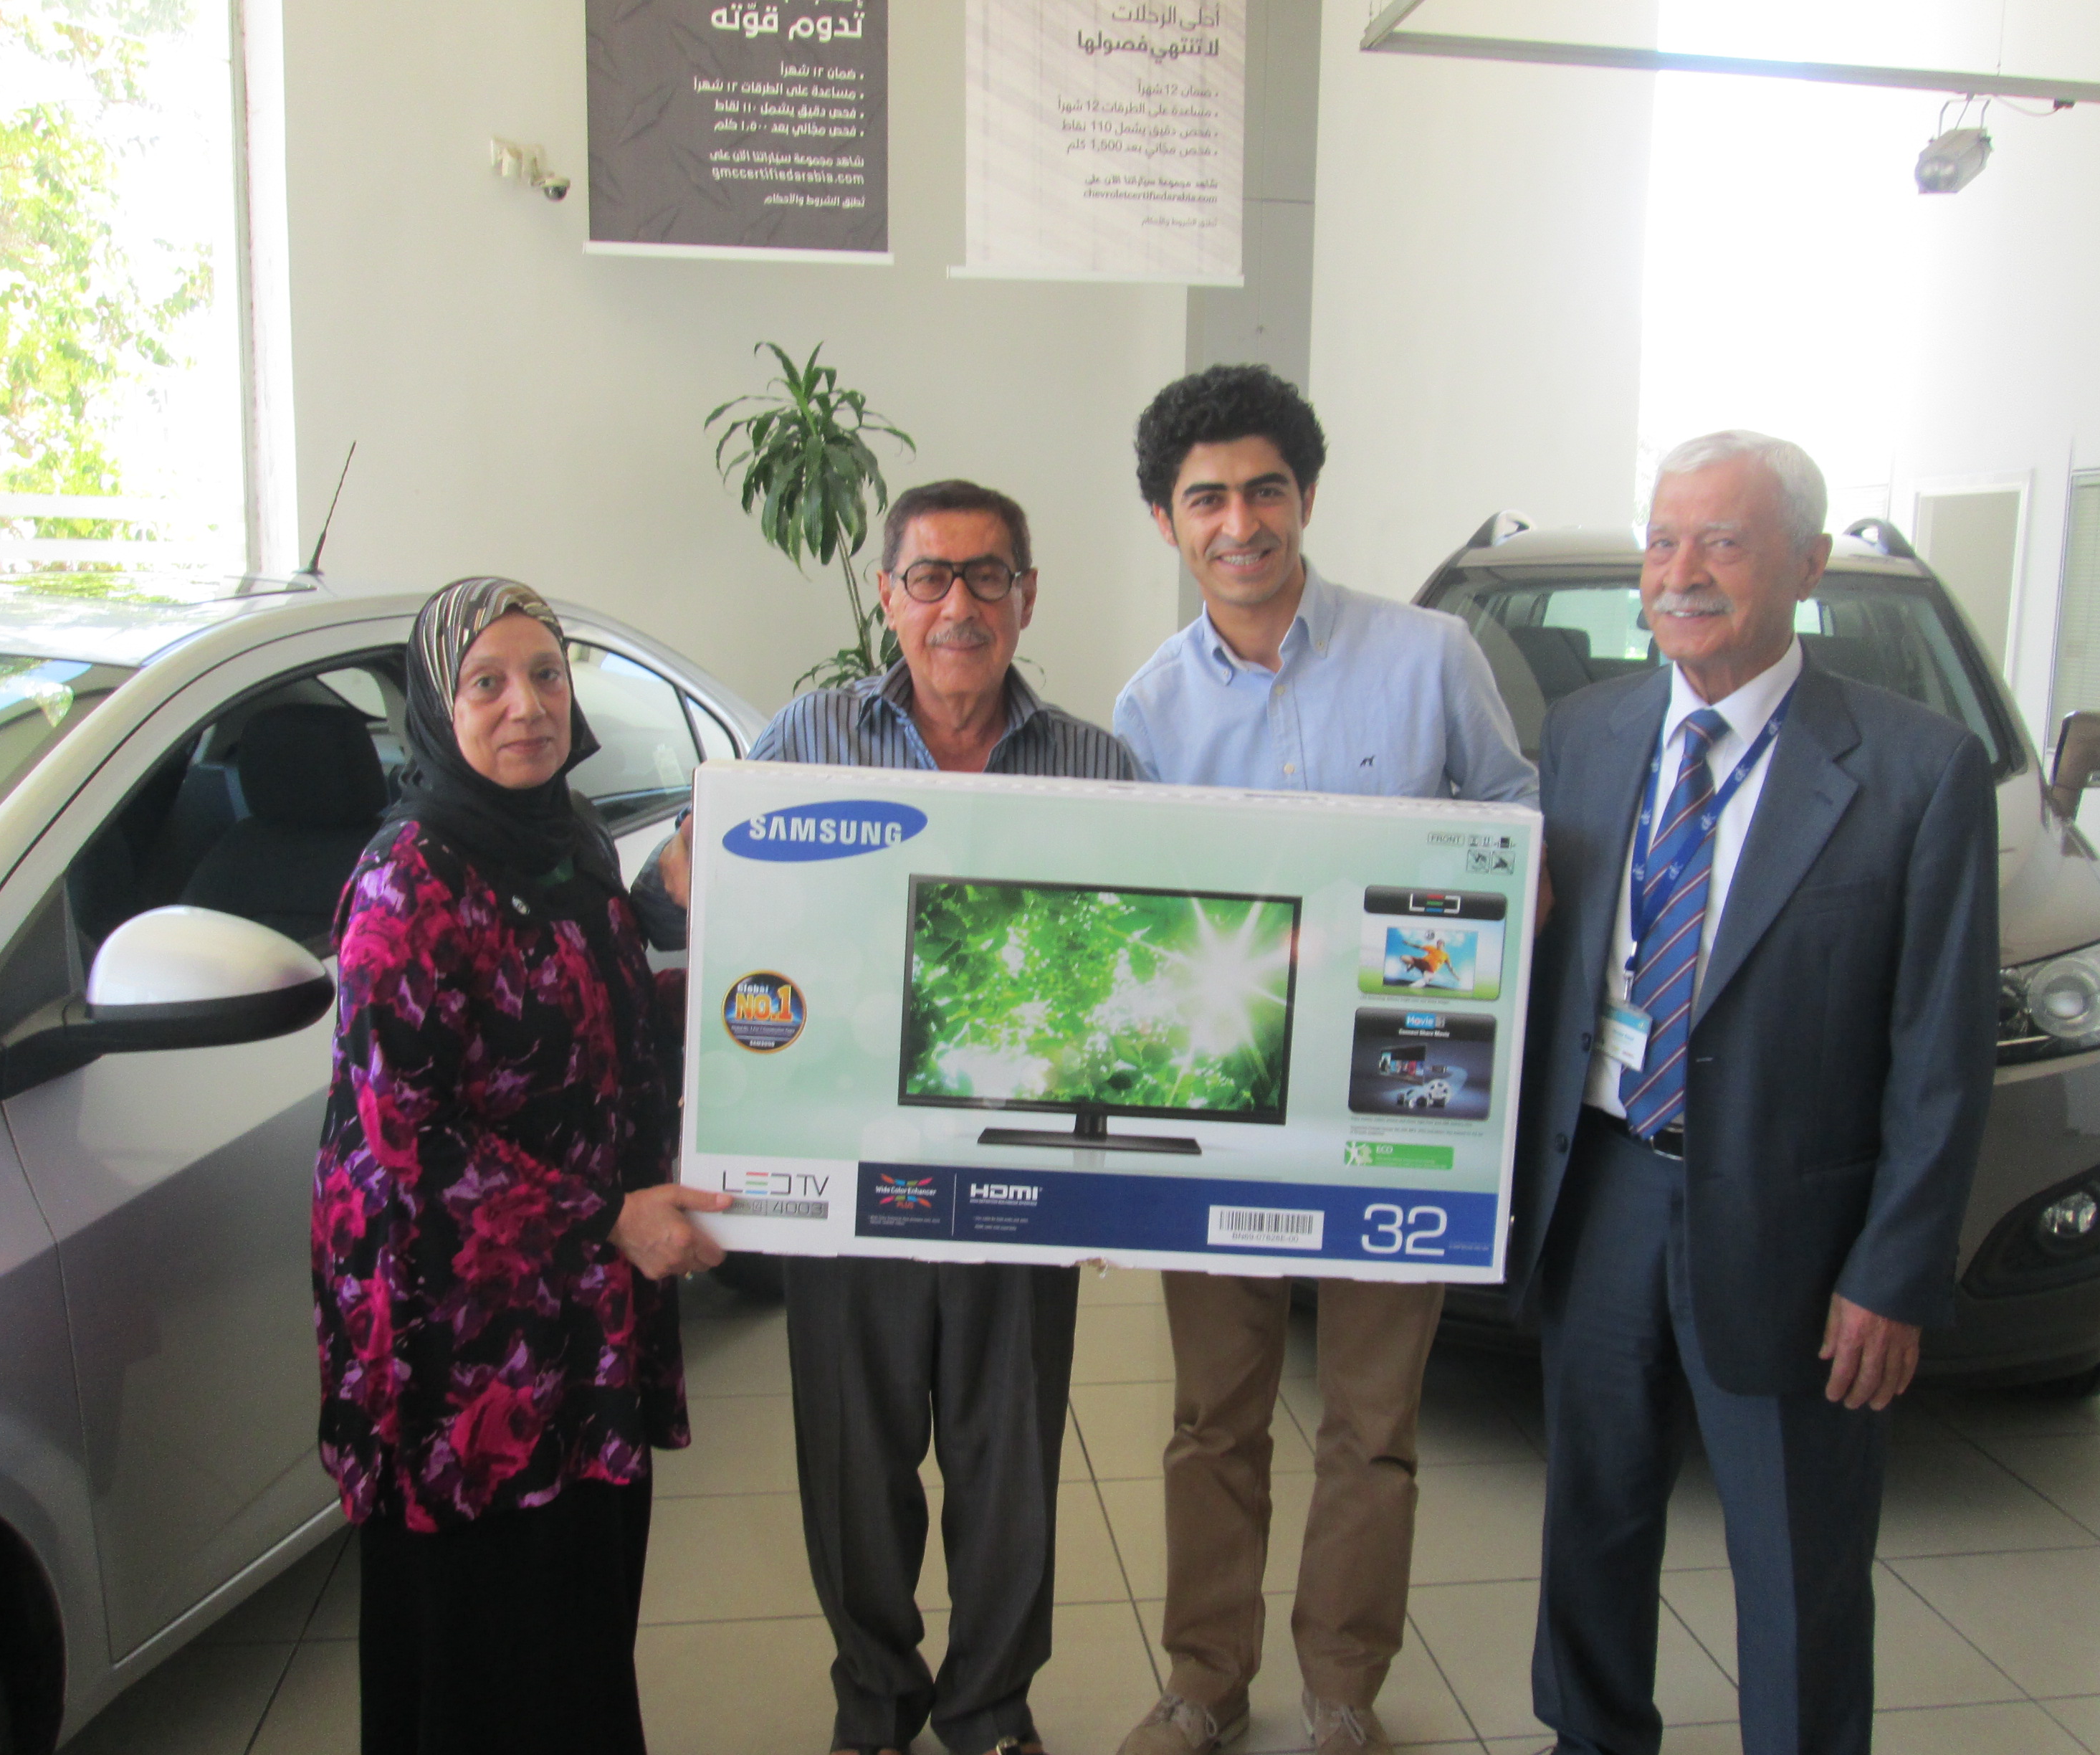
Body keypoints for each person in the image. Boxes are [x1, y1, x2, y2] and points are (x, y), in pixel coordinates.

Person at [636, 480, 1140, 1755]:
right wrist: (691, 858)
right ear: (887, 597)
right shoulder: (809, 733)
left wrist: (1116, 1177)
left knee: (1008, 1466)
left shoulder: (1097, 764)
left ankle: (990, 1711)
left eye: (987, 576)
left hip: (1022, 1177)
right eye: (930, 577)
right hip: (842, 1176)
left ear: (1029, 596)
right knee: (853, 1468)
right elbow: (683, 885)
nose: (958, 605)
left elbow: (1139, 977)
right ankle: (875, 1701)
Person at [1512, 432, 1998, 1755]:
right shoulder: (1589, 733)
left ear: (1807, 563)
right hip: (1604, 1188)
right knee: (1591, 1523)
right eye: (1663, 542)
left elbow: (1942, 1054)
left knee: (1798, 1560)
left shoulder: (1918, 771)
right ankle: (1591, 1736)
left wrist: (1894, 1270)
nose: (1683, 573)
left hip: (1800, 1233)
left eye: (1723, 542)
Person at [1110, 365, 1538, 1755]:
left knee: (1372, 1420)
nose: (1240, 523)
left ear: (1306, 496)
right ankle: (1205, 1680)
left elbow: (1516, 826)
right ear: (1168, 522)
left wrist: (1476, 921)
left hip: (1404, 1093)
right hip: (1220, 1104)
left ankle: (1344, 1689)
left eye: (1265, 491)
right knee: (1213, 1419)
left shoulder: (1430, 658)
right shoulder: (1148, 710)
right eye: (1207, 500)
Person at [312, 576, 730, 1755]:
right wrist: (608, 1219)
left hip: (579, 1316)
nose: (527, 707)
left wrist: (747, 1016)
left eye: (546, 675)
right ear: (434, 706)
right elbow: (408, 1143)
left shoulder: (567, 836)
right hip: (463, 1343)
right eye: (486, 682)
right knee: (481, 1638)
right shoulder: (408, 882)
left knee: (579, 1611)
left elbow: (592, 1017)